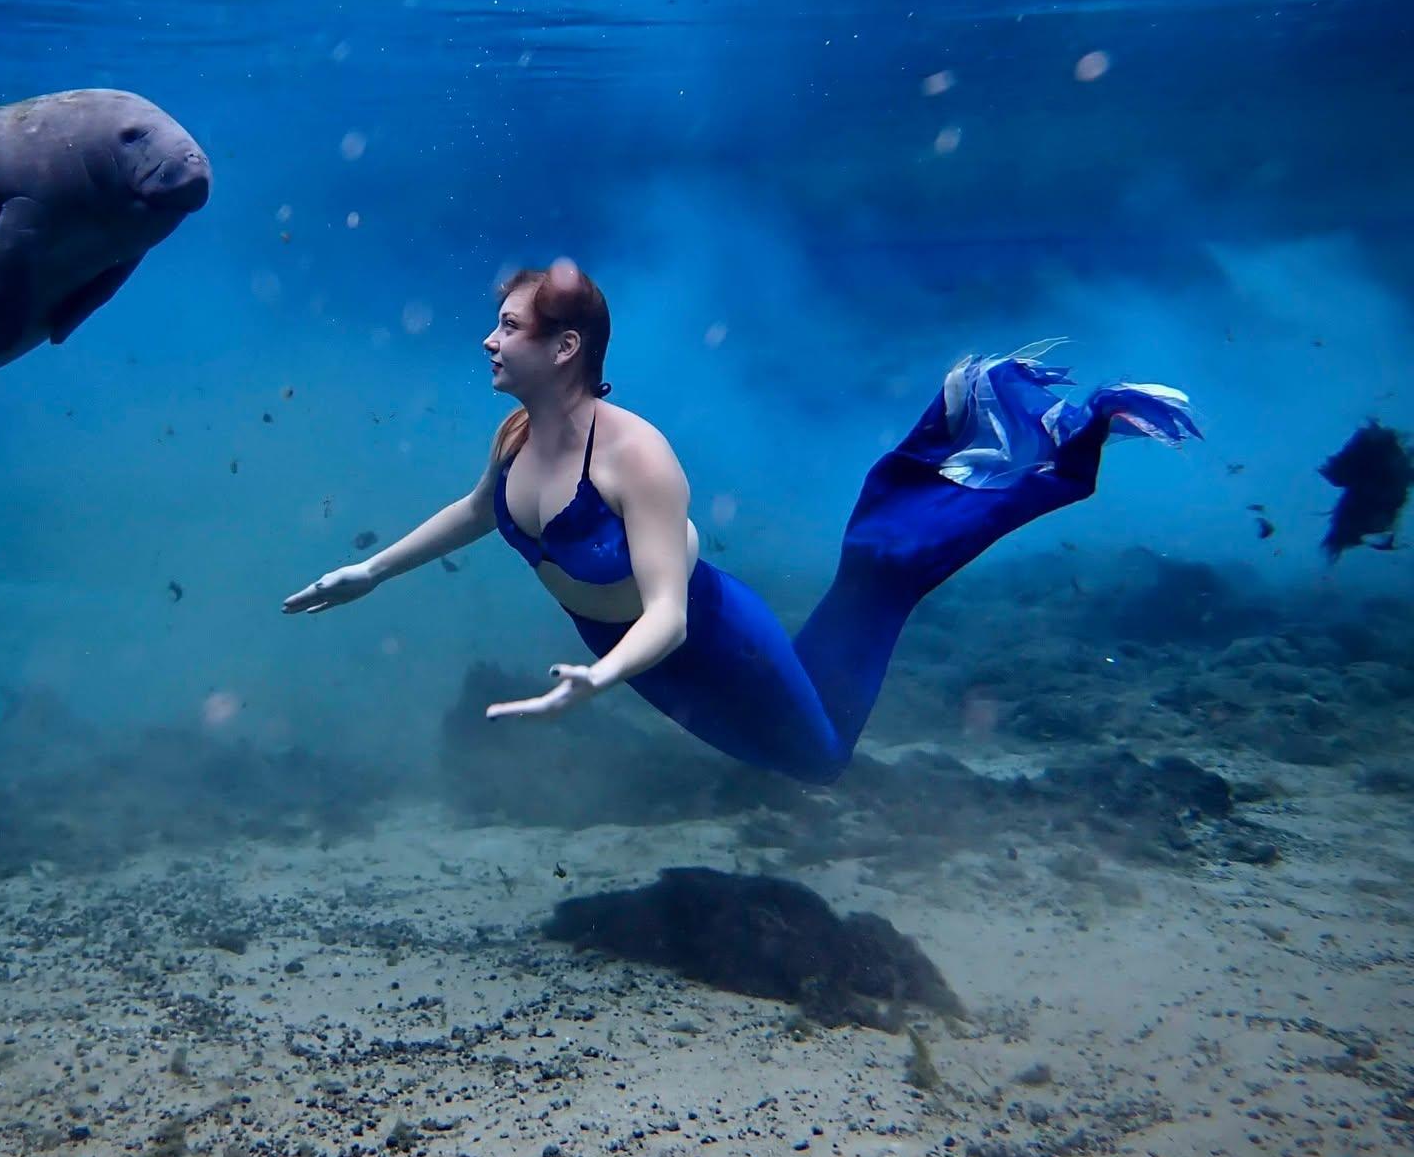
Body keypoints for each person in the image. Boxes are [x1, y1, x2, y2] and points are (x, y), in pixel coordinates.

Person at [280, 260, 1198, 783]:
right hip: (625, 662)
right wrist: (370, 574)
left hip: (707, 642)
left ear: (565, 348)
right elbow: (479, 512)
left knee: (824, 762)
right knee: (791, 761)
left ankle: (922, 532)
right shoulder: (517, 431)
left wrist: (592, 685)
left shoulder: (636, 456)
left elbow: (670, 615)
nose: (488, 339)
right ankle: (879, 558)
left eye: (508, 326)